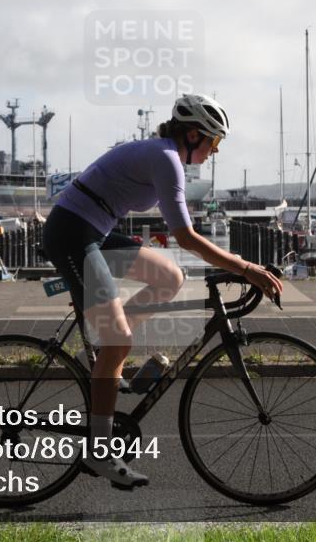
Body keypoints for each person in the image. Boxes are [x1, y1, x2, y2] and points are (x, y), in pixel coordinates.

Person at [41, 93, 283, 489]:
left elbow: (181, 237)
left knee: (169, 278)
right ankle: (98, 451)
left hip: (94, 231)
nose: (214, 151)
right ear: (193, 135)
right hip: (71, 234)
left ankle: (108, 357)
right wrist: (246, 267)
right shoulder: (167, 159)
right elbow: (185, 236)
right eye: (214, 142)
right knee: (119, 339)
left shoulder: (167, 155)